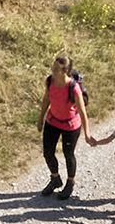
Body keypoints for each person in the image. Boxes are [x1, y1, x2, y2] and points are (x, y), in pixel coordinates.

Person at [38, 55, 89, 198]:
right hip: (52, 121)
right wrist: (41, 118)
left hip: (70, 125)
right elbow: (46, 99)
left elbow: (82, 112)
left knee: (68, 154)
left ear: (66, 71)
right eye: (53, 68)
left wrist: (87, 133)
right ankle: (55, 179)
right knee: (48, 152)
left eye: (56, 69)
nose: (53, 71)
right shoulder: (50, 81)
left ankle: (70, 183)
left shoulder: (74, 88)